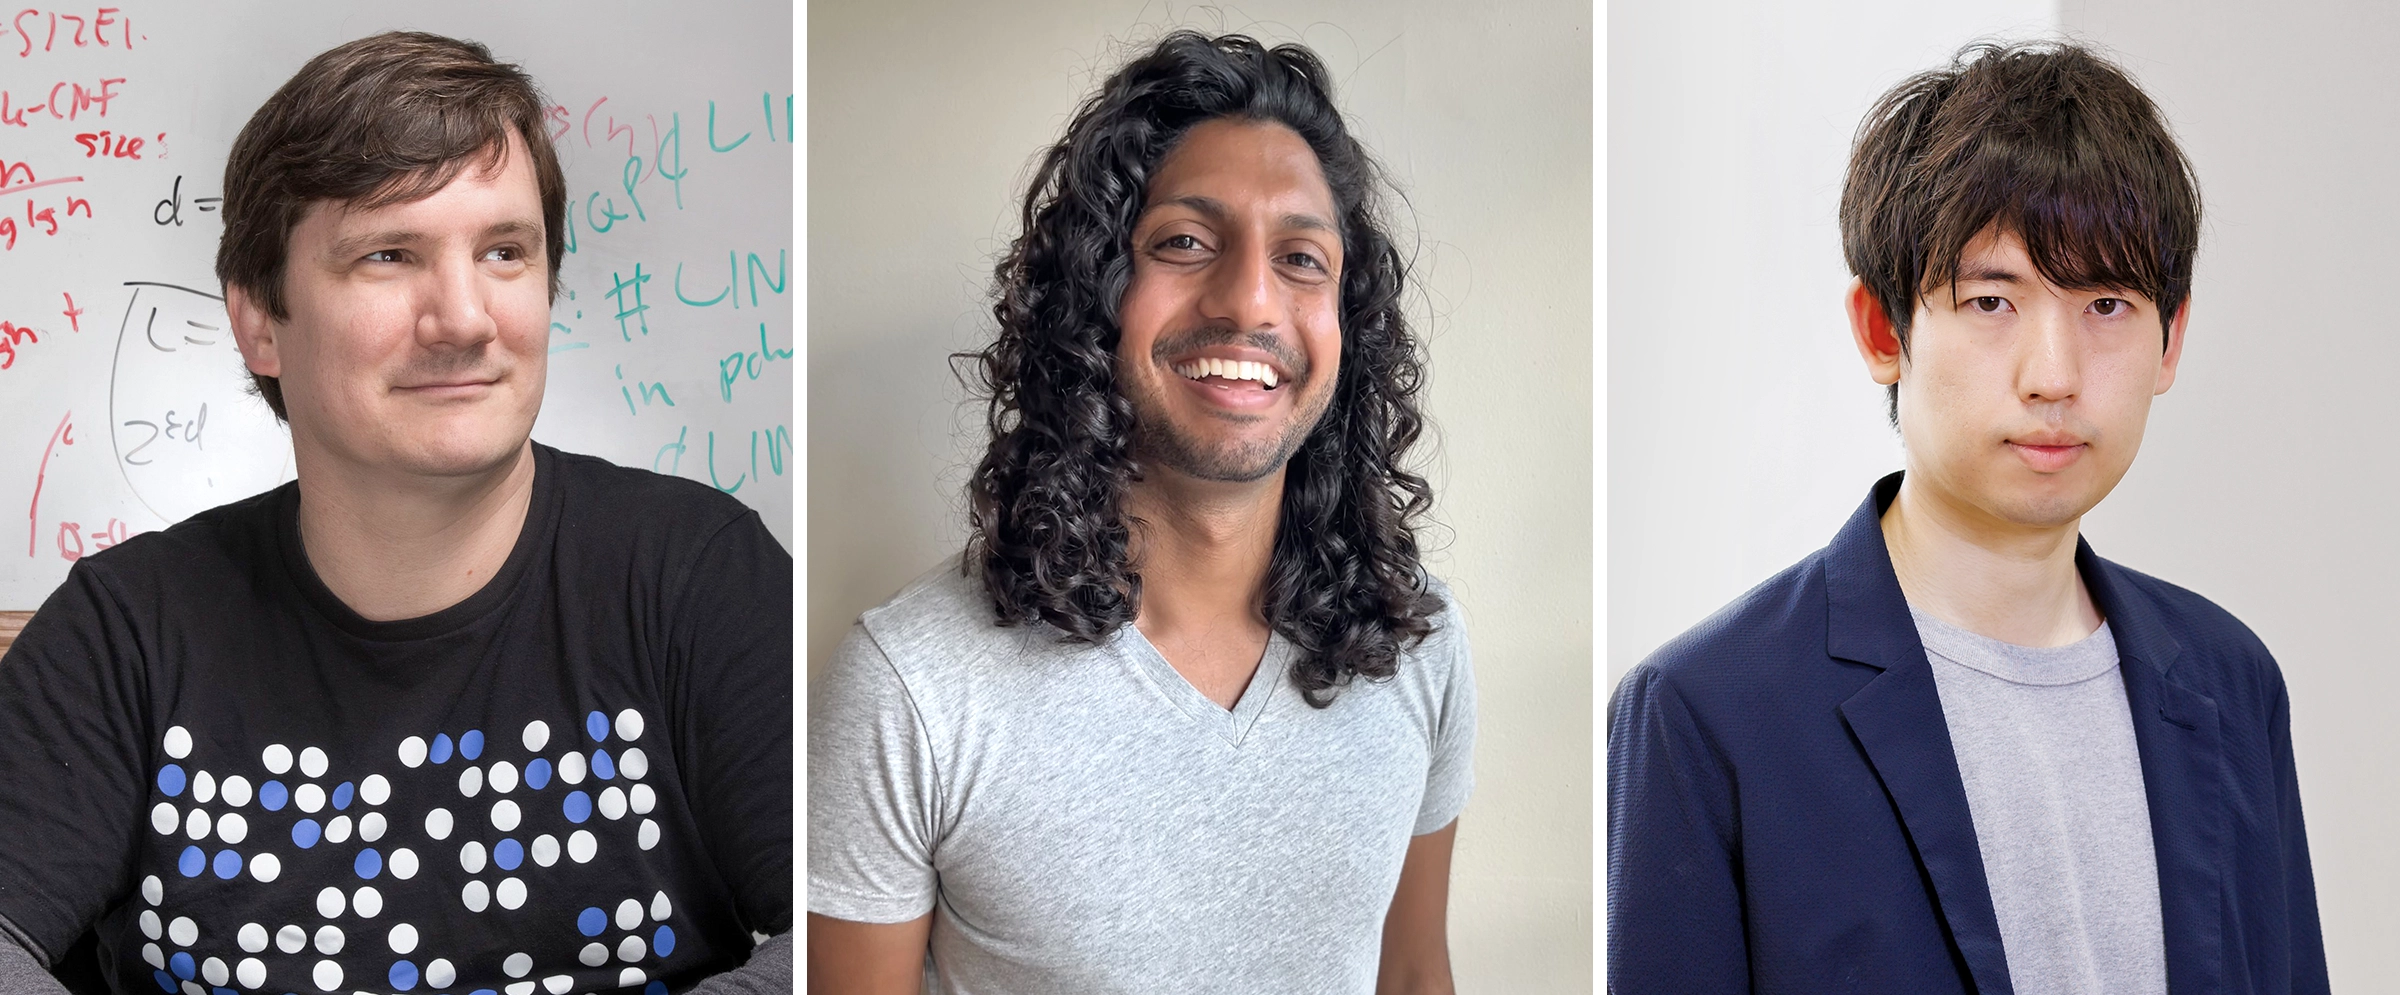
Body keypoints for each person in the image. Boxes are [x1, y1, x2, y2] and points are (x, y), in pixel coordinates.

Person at [0, 32, 790, 995]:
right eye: (388, 255)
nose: (463, 318)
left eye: (505, 250)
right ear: (258, 320)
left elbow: (842, 933)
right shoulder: (126, 629)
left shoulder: (699, 574)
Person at [1608, 41, 2327, 994]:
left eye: (2107, 303)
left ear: (2171, 339)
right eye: (1993, 299)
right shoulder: (1706, 712)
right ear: (1881, 330)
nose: (2055, 375)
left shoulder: (2231, 682)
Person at [807, 30, 1475, 995]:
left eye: (1300, 258)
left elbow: (1414, 975)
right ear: (1097, 293)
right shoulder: (912, 686)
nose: (1249, 298)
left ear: (1347, 326)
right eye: (1185, 242)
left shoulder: (1421, 644)